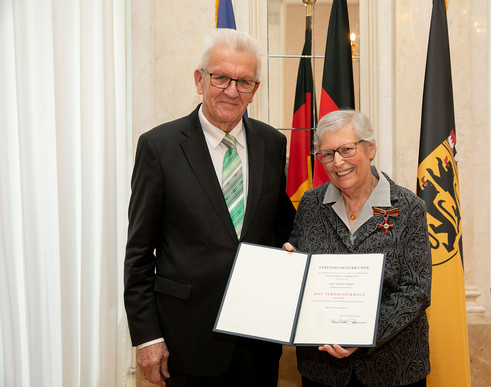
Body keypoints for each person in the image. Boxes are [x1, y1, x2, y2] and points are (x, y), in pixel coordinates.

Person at [124, 28, 295, 386]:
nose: (232, 90)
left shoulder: (272, 142)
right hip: (186, 340)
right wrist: (147, 337)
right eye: (221, 78)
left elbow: (282, 225)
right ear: (200, 79)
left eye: (244, 81)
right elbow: (139, 254)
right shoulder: (159, 147)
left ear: (255, 90)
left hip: (258, 342)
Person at [283, 110, 431, 387]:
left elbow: (416, 290)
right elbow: (302, 267)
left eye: (347, 149)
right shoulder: (311, 203)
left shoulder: (409, 207)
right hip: (322, 370)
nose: (338, 162)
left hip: (394, 369)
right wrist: (291, 265)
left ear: (370, 148)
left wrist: (363, 334)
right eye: (327, 154)